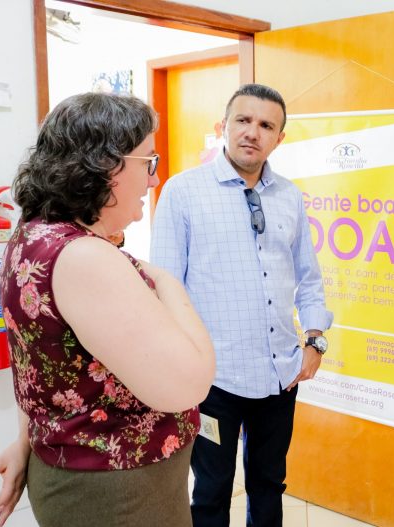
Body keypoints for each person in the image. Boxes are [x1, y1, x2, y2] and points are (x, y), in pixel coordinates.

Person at [0, 92, 215, 527]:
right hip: (119, 491)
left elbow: (45, 369)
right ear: (106, 166)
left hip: (88, 478)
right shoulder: (84, 257)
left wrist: (25, 440)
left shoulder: (33, 234)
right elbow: (189, 384)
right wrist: (166, 280)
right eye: (148, 162)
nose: (153, 180)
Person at [150, 83, 332, 527]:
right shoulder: (183, 191)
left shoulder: (289, 196)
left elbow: (309, 278)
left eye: (266, 125)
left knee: (269, 484)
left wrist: (315, 341)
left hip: (280, 373)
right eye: (243, 120)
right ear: (223, 127)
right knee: (211, 490)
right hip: (213, 379)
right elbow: (166, 287)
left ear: (279, 138)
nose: (253, 132)